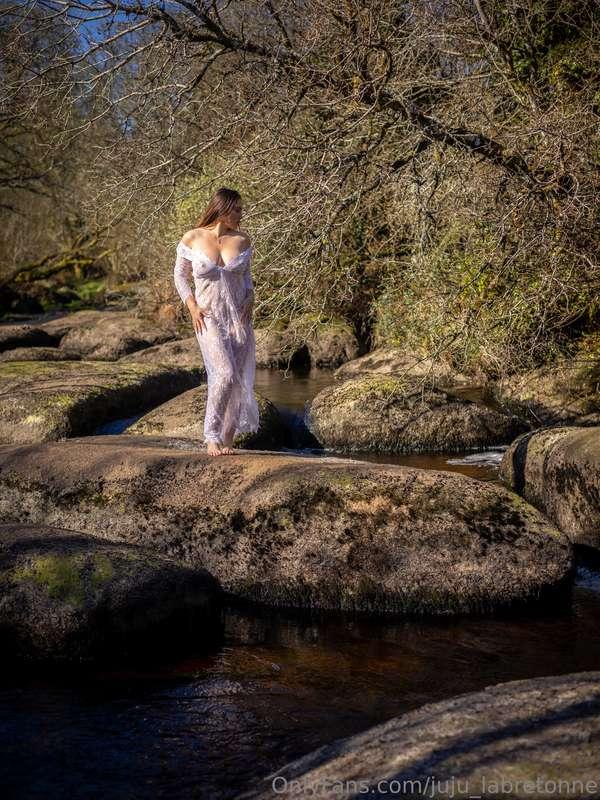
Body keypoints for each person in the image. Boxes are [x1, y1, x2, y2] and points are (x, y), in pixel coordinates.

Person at [173, 187, 260, 456]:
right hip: (208, 317)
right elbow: (179, 275)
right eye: (237, 210)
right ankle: (211, 436)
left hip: (238, 319)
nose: (241, 215)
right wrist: (192, 306)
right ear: (222, 209)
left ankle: (228, 437)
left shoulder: (243, 240)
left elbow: (246, 278)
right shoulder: (193, 237)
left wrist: (251, 297)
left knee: (238, 377)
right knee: (223, 373)